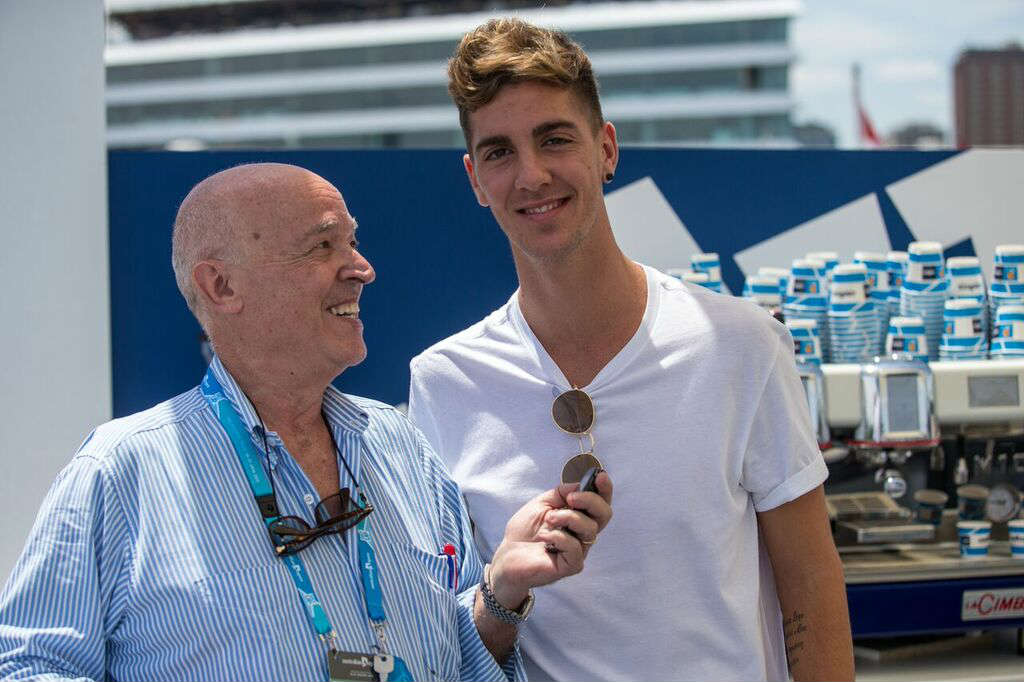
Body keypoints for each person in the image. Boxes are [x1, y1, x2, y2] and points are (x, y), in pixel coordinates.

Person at [0, 163, 612, 681]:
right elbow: (28, 666)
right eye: (324, 246)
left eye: (351, 241)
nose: (361, 268)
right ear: (221, 285)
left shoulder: (398, 445)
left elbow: (450, 657)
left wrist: (500, 597)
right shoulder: (120, 471)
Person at [407, 18, 853, 682]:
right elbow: (450, 634)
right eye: (499, 152)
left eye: (554, 139)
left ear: (606, 149)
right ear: (476, 180)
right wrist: (504, 588)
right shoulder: (443, 381)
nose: (531, 175)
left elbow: (811, 585)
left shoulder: (738, 344)